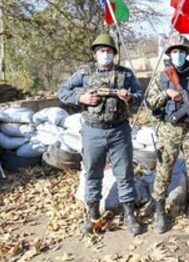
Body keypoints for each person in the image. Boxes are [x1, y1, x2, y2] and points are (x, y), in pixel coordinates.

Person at [58, 33, 143, 236]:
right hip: (93, 131)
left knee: (124, 174)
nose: (105, 54)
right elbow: (62, 91)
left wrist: (129, 96)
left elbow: (140, 95)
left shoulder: (126, 74)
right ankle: (93, 216)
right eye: (101, 51)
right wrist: (82, 97)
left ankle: (129, 215)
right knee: (92, 174)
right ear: (95, 54)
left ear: (114, 53)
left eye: (108, 51)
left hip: (119, 131)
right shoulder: (84, 73)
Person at [146, 34, 189, 233]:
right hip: (169, 131)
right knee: (164, 171)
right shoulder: (162, 78)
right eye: (174, 51)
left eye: (181, 51)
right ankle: (160, 212)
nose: (178, 55)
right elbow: (150, 104)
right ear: (169, 54)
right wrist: (165, 94)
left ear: (187, 54)